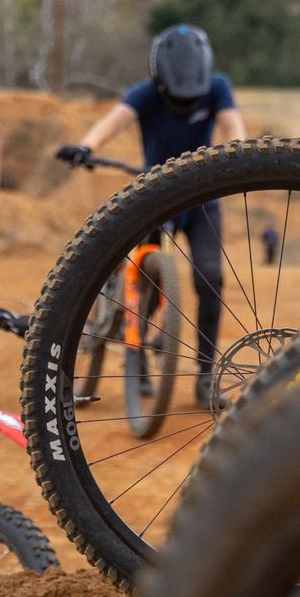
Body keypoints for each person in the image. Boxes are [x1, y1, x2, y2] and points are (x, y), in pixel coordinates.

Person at [58, 25, 245, 407]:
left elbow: (234, 127)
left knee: (211, 277)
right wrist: (86, 146)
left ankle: (206, 376)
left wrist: (244, 156)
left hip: (202, 197)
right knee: (144, 282)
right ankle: (137, 356)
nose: (186, 105)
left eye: (192, 101)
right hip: (154, 195)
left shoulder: (217, 87)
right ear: (159, 82)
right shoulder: (145, 93)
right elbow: (117, 119)